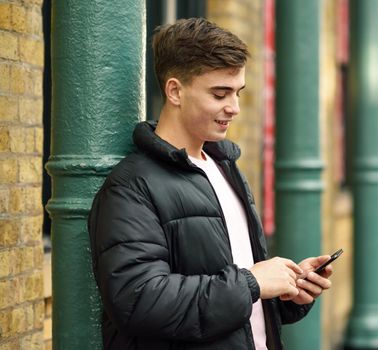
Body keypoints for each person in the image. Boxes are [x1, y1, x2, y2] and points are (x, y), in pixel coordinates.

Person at [87, 18, 333, 350]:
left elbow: (239, 301)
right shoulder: (130, 186)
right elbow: (138, 301)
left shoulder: (226, 169)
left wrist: (288, 290)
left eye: (237, 93)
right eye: (220, 94)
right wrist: (251, 283)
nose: (233, 108)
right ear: (175, 90)